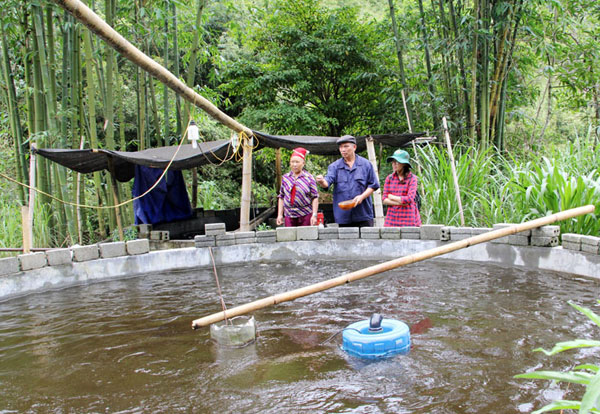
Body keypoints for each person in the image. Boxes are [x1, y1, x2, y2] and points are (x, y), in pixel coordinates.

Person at [315, 135, 380, 227]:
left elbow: (373, 185)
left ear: (354, 147)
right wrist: (321, 181)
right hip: (343, 215)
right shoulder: (334, 166)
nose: (343, 150)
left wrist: (362, 197)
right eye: (341, 147)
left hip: (363, 213)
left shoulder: (366, 164)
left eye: (346, 146)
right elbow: (327, 183)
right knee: (346, 240)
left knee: (366, 240)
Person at [276, 147, 319, 227]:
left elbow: (315, 197)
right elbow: (281, 197)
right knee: (290, 237)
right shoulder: (285, 178)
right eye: (292, 162)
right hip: (289, 214)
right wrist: (280, 215)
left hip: (305, 214)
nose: (294, 164)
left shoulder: (309, 178)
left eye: (297, 162)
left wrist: (314, 215)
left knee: (306, 237)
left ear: (303, 163)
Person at [382, 149, 421, 227]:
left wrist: (392, 197)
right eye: (393, 162)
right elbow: (384, 200)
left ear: (404, 164)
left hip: (408, 218)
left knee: (410, 237)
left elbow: (409, 199)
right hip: (392, 219)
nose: (394, 164)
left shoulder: (412, 178)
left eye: (397, 162)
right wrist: (401, 203)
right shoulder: (389, 178)